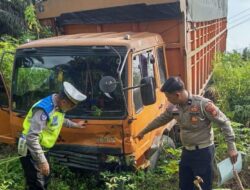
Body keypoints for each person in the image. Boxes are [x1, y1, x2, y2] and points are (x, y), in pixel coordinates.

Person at [136, 76, 238, 190]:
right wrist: (143, 131)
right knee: (185, 185)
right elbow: (161, 119)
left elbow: (224, 123)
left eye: (168, 97)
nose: (168, 100)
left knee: (204, 186)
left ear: (177, 95)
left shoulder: (202, 104)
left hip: (204, 153)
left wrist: (231, 147)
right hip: (187, 152)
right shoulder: (174, 107)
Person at [18, 81, 87, 190]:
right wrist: (42, 161)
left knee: (44, 177)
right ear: (64, 102)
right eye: (70, 107)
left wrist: (76, 125)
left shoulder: (58, 106)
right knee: (37, 183)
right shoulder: (44, 109)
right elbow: (31, 138)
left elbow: (59, 119)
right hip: (31, 149)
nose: (69, 110)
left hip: (42, 148)